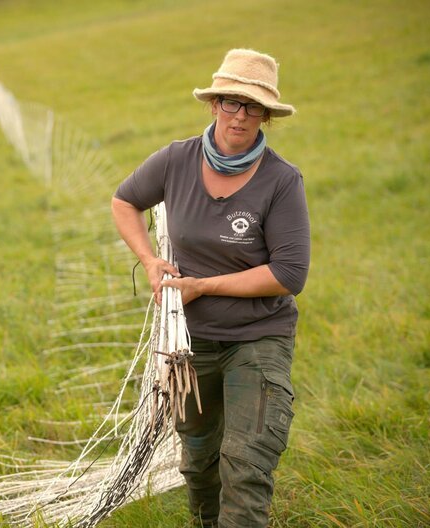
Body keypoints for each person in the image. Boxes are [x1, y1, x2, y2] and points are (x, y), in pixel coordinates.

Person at [111, 49, 310, 527]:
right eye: (230, 102)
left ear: (267, 115)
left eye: (252, 106)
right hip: (188, 343)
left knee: (246, 463)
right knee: (199, 463)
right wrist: (150, 260)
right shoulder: (176, 159)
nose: (239, 115)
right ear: (214, 104)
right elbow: (124, 201)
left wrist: (205, 285)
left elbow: (288, 274)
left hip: (258, 338)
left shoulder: (282, 181)